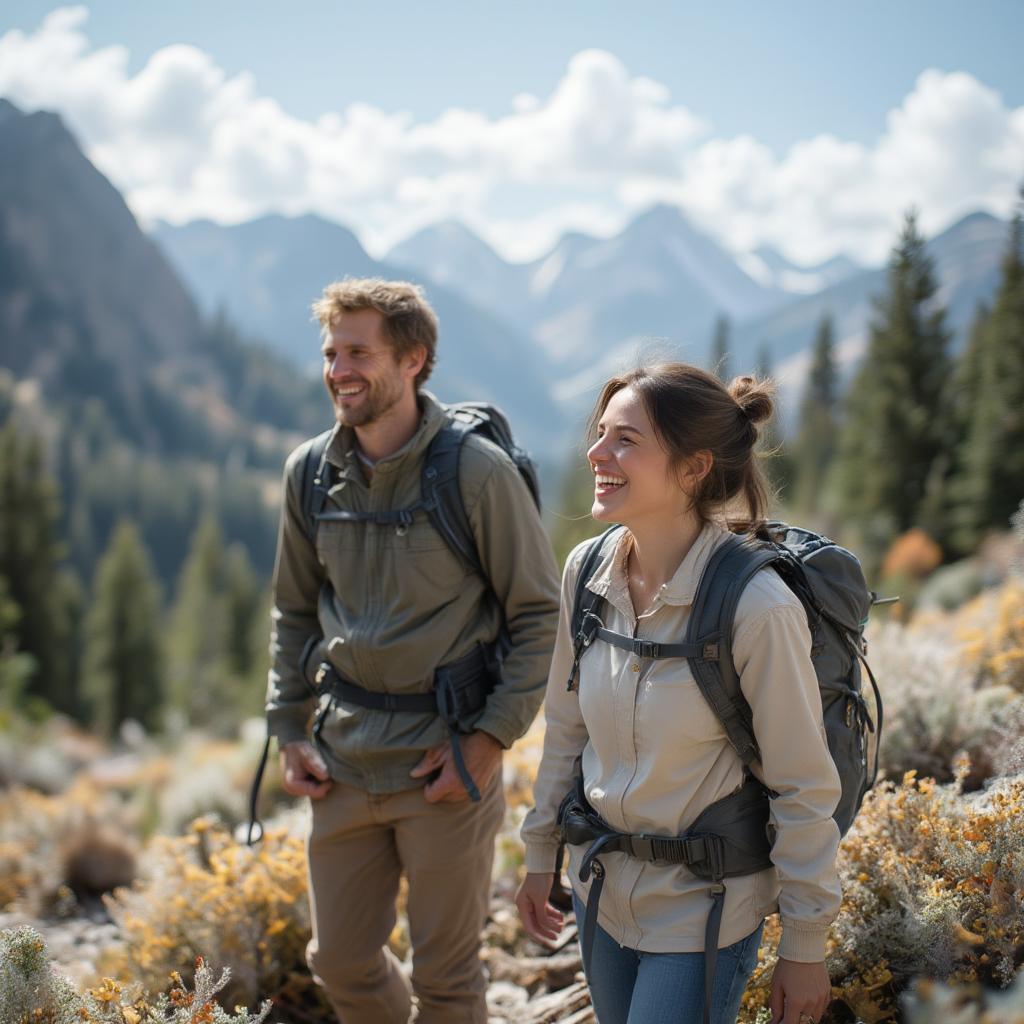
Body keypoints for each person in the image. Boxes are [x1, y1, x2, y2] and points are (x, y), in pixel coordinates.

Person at [266, 277, 560, 1024]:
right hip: (342, 762)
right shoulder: (310, 474)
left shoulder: (475, 473)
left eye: (358, 352)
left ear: (414, 359)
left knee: (449, 982)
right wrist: (288, 727)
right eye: (331, 352)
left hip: (446, 768)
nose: (338, 369)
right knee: (339, 963)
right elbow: (294, 610)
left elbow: (537, 612)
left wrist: (491, 740)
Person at [516, 363, 841, 1024]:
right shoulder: (587, 571)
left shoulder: (757, 605)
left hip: (706, 909)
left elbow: (803, 785)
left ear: (694, 468)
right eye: (601, 434)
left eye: (626, 440)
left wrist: (806, 946)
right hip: (600, 890)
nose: (596, 453)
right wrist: (539, 852)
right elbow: (566, 725)